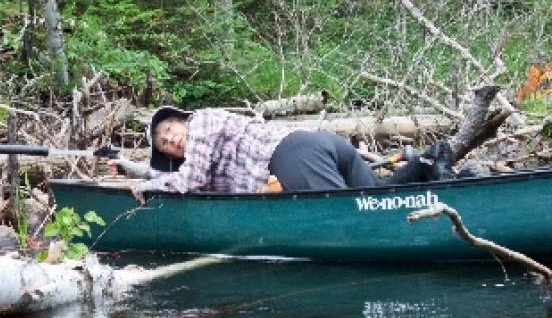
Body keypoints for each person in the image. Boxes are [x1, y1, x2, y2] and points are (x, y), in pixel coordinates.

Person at [110, 106, 455, 204]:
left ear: (182, 120)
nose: (172, 142)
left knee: (347, 214)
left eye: (170, 132)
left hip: (292, 154)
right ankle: (427, 162)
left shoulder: (202, 121)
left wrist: (147, 187)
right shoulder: (203, 157)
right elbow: (193, 179)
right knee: (377, 198)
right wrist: (136, 172)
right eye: (166, 146)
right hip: (321, 147)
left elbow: (190, 181)